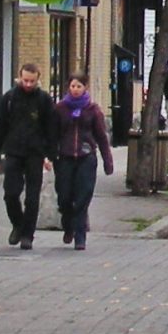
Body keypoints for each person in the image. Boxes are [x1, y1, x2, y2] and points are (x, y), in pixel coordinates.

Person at [0, 62, 59, 250]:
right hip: (13, 151)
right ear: (20, 78)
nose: (28, 84)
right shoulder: (10, 98)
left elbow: (51, 129)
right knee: (10, 194)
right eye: (25, 80)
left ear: (38, 80)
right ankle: (17, 224)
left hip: (35, 153)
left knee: (32, 197)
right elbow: (0, 128)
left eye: (32, 81)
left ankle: (28, 234)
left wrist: (50, 155)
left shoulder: (44, 100)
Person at [52, 72, 113, 252]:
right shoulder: (60, 109)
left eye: (79, 86)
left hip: (86, 157)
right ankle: (68, 224)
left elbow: (101, 136)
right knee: (64, 197)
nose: (75, 89)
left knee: (82, 197)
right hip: (64, 157)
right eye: (72, 86)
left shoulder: (93, 110)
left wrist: (107, 160)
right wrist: (50, 154)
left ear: (85, 87)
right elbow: (53, 134)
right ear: (68, 88)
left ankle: (80, 236)